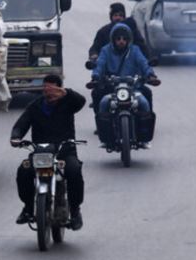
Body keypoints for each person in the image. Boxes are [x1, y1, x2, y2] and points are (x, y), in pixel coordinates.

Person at [10, 74, 87, 230]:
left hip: (64, 152)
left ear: (59, 88)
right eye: (45, 87)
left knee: (74, 171)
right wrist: (16, 137)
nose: (48, 91)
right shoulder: (35, 106)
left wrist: (67, 93)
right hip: (41, 153)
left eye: (52, 87)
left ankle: (75, 211)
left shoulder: (69, 103)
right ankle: (28, 208)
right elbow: (21, 124)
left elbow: (81, 101)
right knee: (24, 171)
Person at [88, 23, 160, 146]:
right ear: (113, 39)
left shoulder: (135, 50)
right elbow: (99, 65)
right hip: (112, 88)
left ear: (129, 40)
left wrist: (150, 75)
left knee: (144, 100)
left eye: (124, 39)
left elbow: (144, 63)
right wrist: (95, 77)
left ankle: (144, 135)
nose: (121, 41)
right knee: (104, 102)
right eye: (118, 39)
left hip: (133, 88)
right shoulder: (105, 50)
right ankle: (105, 135)